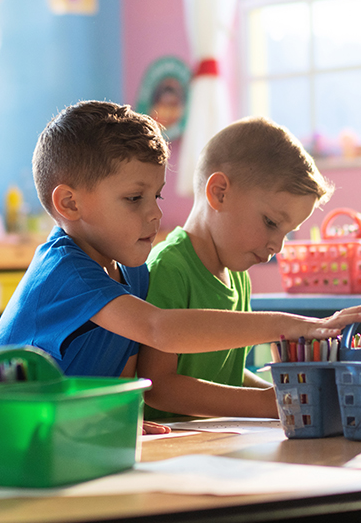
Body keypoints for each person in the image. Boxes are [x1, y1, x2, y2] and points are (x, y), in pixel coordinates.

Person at [0, 101, 361, 429]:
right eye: (134, 198)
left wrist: (123, 418)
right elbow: (159, 329)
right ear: (70, 204)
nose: (155, 214)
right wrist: (291, 326)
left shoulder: (133, 272)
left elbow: (123, 368)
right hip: (5, 430)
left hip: (60, 435)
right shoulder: (64, 271)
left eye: (156, 195)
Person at [138, 116, 334, 420]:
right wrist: (266, 404)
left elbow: (222, 372)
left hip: (215, 443)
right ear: (219, 193)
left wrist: (283, 398)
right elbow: (159, 386)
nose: (278, 246)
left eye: (287, 232)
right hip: (167, 446)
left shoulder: (238, 276)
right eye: (270, 223)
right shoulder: (169, 267)